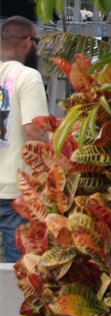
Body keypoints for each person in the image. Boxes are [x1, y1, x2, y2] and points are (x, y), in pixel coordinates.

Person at [0, 17, 51, 263]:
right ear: (28, 42)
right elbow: (34, 130)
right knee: (18, 271)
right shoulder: (28, 77)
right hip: (16, 190)